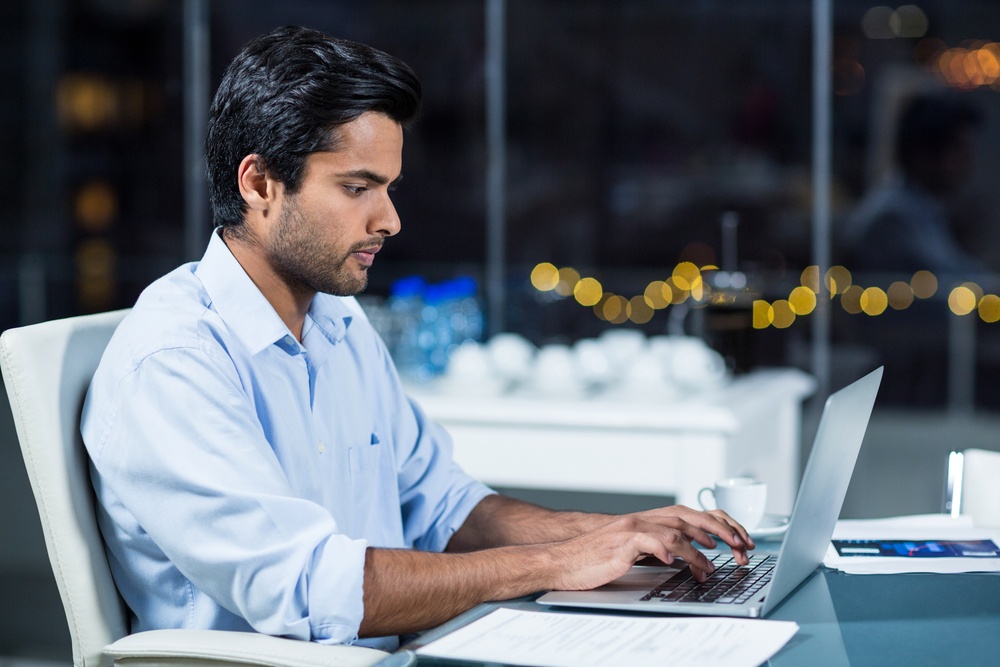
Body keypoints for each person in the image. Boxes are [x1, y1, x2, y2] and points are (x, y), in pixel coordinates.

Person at [81, 25, 752, 651]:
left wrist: (614, 533)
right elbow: (310, 590)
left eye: (390, 187)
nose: (390, 219)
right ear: (258, 182)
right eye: (356, 187)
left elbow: (448, 507)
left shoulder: (339, 326)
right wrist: (556, 562)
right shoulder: (175, 362)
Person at [841, 93, 991, 278]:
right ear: (923, 155)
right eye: (959, 152)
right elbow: (943, 285)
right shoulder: (892, 218)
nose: (969, 164)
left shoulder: (924, 208)